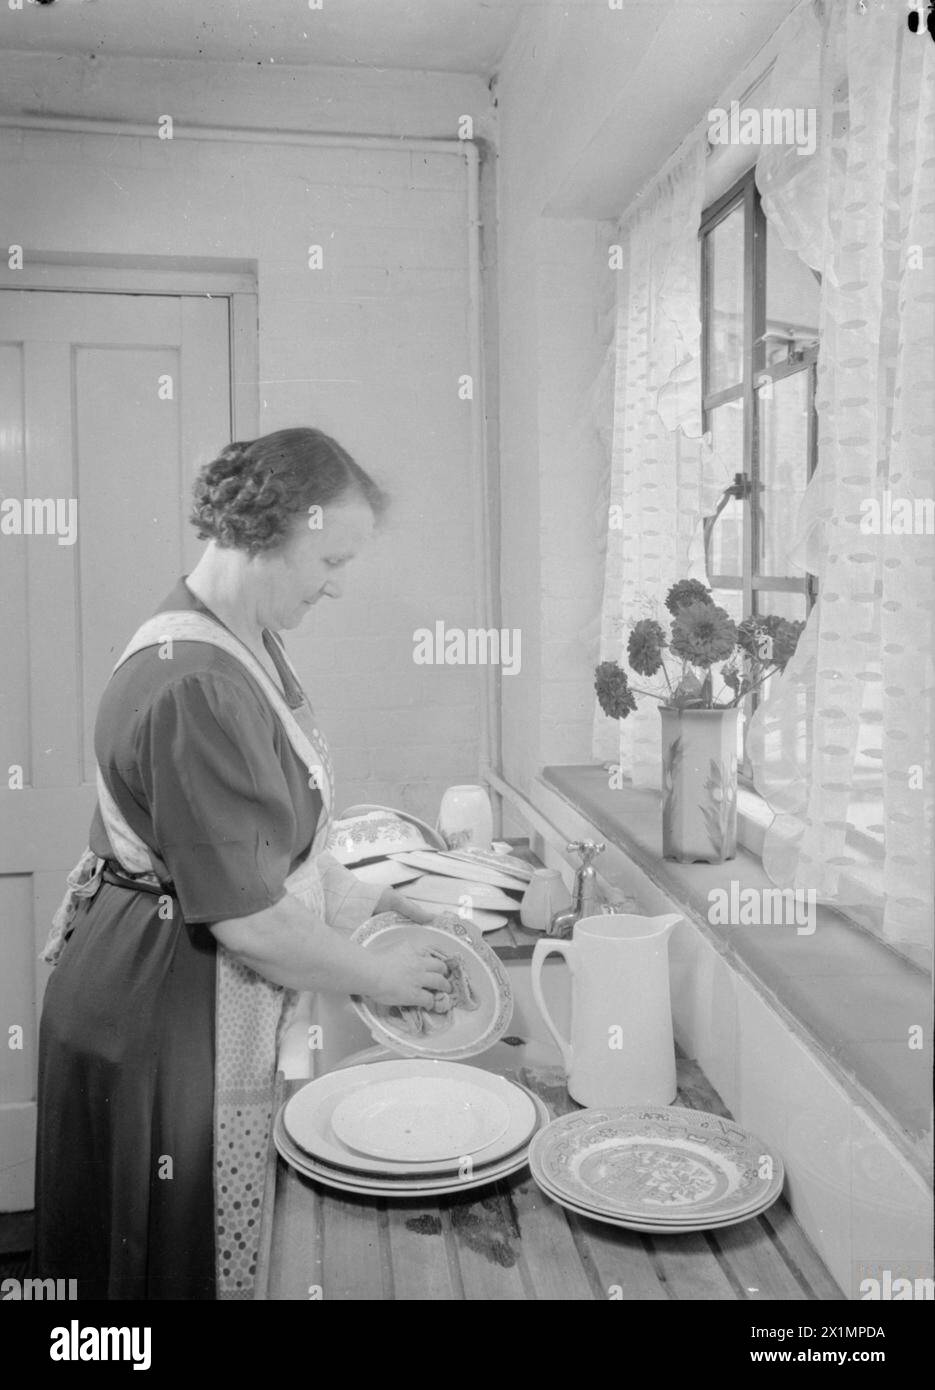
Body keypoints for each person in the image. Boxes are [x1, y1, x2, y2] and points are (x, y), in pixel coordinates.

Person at [33, 427, 451, 1300]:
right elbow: (250, 917)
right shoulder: (198, 682)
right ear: (270, 530)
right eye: (330, 558)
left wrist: (378, 900)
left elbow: (268, 850)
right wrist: (376, 974)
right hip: (159, 1008)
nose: (337, 584)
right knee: (158, 1258)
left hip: (169, 978)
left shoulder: (237, 643)